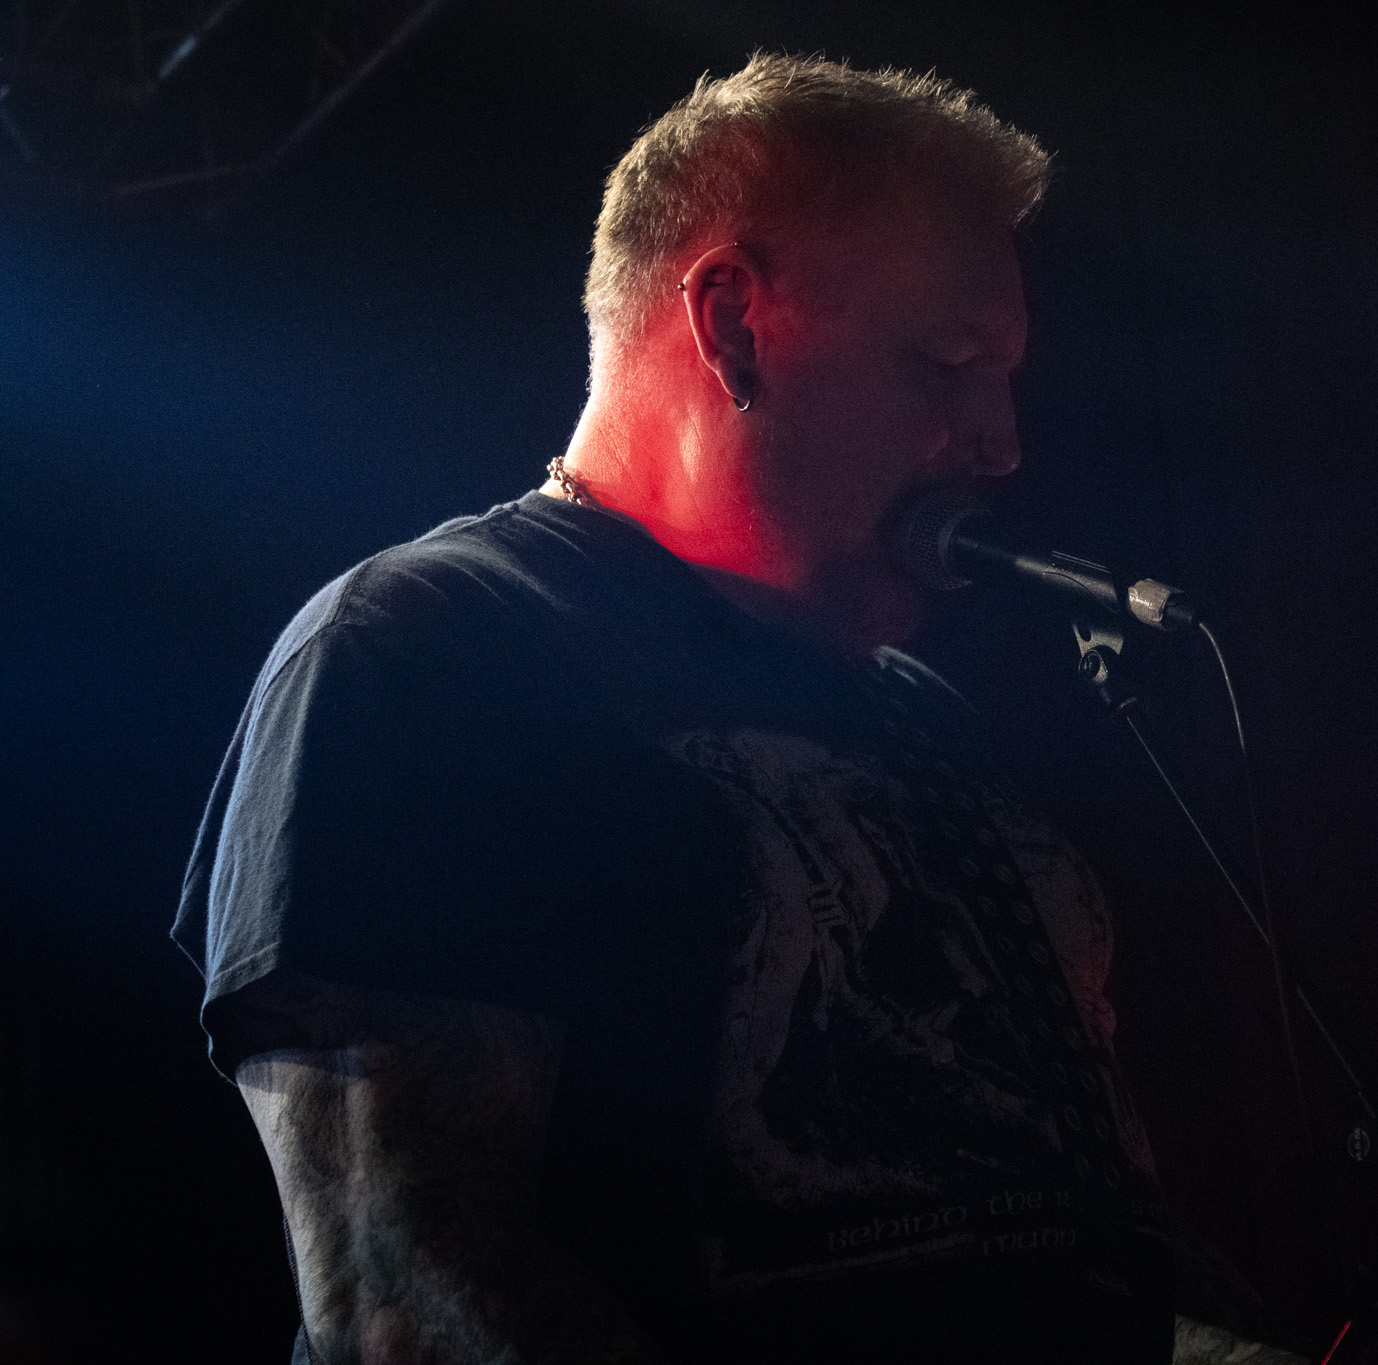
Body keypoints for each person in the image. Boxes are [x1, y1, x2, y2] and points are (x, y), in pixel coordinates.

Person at [174, 53, 1305, 1365]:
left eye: (1006, 379)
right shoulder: (424, 653)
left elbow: (1072, 1249)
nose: (1001, 445)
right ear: (731, 326)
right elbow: (407, 1292)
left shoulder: (924, 720)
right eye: (947, 366)